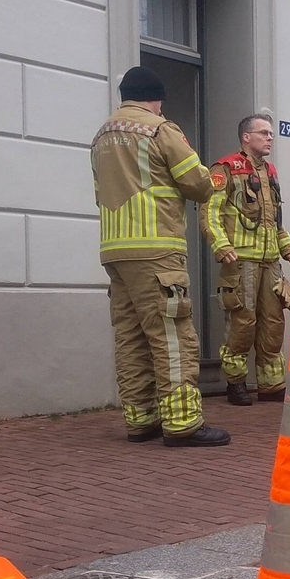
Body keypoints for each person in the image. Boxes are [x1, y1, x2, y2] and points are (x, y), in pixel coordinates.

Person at [91, 66, 230, 447]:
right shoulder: (159, 128)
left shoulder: (101, 135)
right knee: (171, 335)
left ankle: (140, 420)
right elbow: (198, 183)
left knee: (131, 336)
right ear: (156, 99)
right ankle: (183, 423)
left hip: (115, 251)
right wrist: (213, 179)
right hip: (156, 250)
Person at [200, 114, 290, 406]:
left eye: (271, 133)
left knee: (273, 322)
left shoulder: (270, 172)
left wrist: (288, 248)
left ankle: (271, 385)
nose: (270, 137)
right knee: (242, 323)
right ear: (246, 137)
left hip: (270, 263)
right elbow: (210, 212)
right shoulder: (225, 169)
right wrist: (221, 245)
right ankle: (236, 383)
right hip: (240, 262)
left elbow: (274, 221)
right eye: (263, 133)